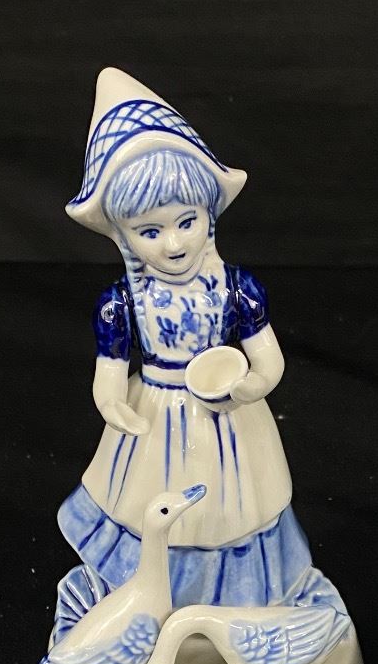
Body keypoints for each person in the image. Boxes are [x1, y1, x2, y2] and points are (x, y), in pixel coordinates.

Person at [57, 68, 311, 609]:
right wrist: (111, 403)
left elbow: (269, 360)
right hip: (155, 418)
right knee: (150, 508)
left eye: (186, 222)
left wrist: (253, 385)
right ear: (122, 235)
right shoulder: (121, 303)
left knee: (231, 511)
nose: (173, 244)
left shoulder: (237, 289)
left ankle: (234, 602)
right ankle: (149, 599)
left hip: (227, 421)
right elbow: (108, 374)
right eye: (150, 231)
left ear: (208, 216)